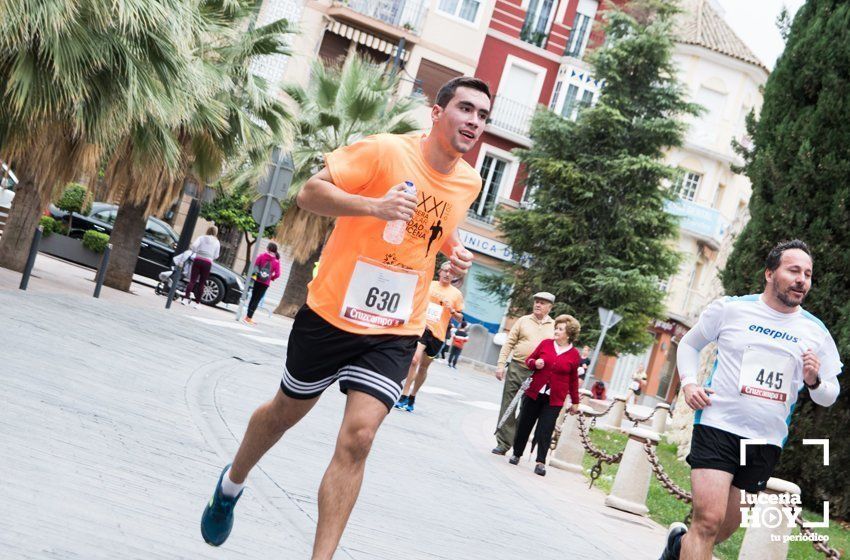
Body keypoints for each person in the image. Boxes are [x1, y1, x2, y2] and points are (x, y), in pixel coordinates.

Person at [200, 76, 492, 558]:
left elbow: (434, 232)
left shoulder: (468, 181)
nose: (474, 122)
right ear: (437, 113)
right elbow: (310, 194)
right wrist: (373, 206)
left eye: (483, 116)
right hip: (332, 312)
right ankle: (231, 484)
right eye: (466, 109)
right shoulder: (384, 151)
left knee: (359, 437)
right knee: (282, 415)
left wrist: (455, 254)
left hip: (396, 326)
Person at [658, 240, 842, 560]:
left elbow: (830, 396)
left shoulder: (815, 331)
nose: (802, 280)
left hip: (765, 439)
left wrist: (814, 380)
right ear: (769, 273)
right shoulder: (732, 309)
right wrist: (689, 384)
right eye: (794, 270)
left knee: (726, 527)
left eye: (808, 274)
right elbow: (688, 345)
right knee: (708, 521)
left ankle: (677, 547)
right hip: (718, 424)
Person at [507, 314, 582, 476]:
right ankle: (517, 453)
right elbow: (529, 360)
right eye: (556, 327)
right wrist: (535, 363)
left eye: (560, 329)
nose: (556, 331)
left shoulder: (574, 354)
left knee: (545, 429)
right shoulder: (546, 344)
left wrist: (575, 401)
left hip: (554, 399)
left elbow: (573, 380)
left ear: (568, 333)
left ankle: (540, 462)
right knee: (524, 424)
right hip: (534, 392)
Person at [395, 261, 464, 412]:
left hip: (438, 334)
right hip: (422, 327)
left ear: (453, 276)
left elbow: (460, 318)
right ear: (439, 272)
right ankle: (404, 395)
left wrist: (452, 310)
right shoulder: (429, 285)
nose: (447, 274)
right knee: (414, 360)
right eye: (445, 270)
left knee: (423, 367)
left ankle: (413, 396)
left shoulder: (456, 294)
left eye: (451, 272)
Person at [492, 292, 556, 455]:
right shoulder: (523, 321)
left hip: (538, 373)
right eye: (536, 302)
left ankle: (515, 439)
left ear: (550, 307)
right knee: (508, 404)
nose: (538, 305)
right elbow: (509, 344)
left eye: (542, 303)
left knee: (527, 409)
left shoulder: (554, 326)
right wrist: (500, 365)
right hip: (517, 367)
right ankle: (503, 443)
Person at [243, 242, 282, 325]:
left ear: (268, 249)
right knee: (257, 300)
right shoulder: (276, 261)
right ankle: (249, 318)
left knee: (253, 298)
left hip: (257, 280)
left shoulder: (261, 256)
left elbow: (255, 265)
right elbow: (278, 274)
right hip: (265, 283)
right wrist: (271, 278)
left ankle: (247, 317)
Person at [183, 226, 220, 308]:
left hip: (198, 260)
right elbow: (216, 255)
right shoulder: (217, 242)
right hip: (207, 263)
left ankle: (185, 299)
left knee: (192, 280)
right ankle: (197, 303)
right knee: (202, 283)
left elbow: (193, 246)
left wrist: (197, 251)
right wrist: (210, 256)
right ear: (216, 232)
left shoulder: (201, 238)